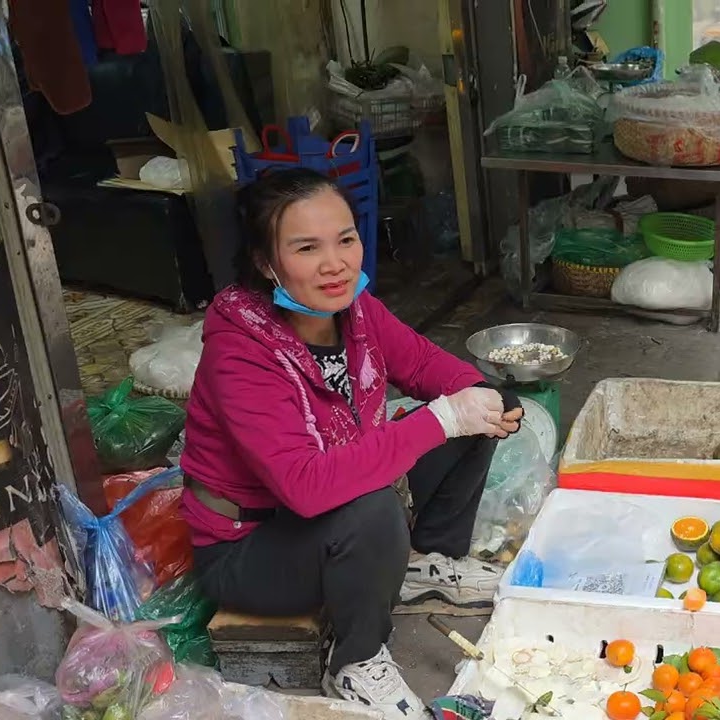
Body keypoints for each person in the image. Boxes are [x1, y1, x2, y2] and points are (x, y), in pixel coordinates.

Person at [180, 167, 522, 718]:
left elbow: (422, 363)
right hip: (251, 549)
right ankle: (358, 660)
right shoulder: (241, 353)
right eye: (307, 248)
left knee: (474, 411)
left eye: (345, 239)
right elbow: (305, 488)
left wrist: (479, 396)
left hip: (329, 507)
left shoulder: (354, 310)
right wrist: (443, 419)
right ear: (266, 263)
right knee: (373, 506)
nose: (335, 263)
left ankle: (423, 563)